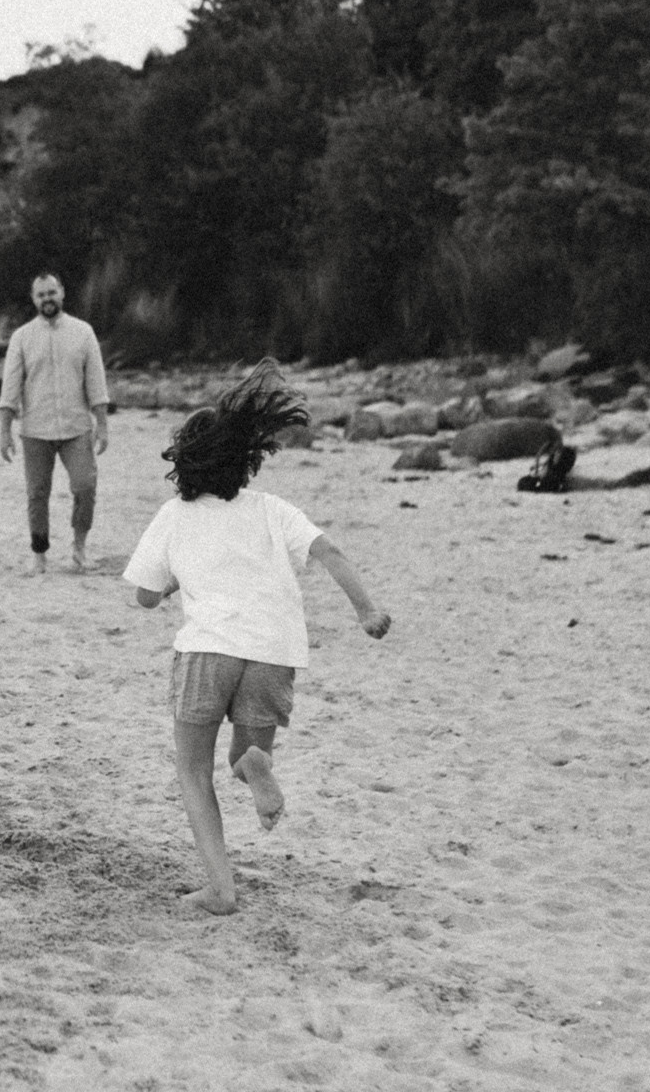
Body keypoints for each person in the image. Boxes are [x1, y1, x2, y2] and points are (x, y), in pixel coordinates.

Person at [121, 363, 391, 916]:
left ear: (185, 463)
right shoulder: (273, 510)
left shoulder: (174, 515)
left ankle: (221, 889)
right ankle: (253, 765)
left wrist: (173, 582)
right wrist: (366, 610)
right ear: (245, 459)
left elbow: (144, 596)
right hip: (273, 652)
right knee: (244, 754)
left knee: (193, 772)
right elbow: (330, 552)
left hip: (207, 651)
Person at [0, 272, 110, 573]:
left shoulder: (83, 332)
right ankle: (39, 556)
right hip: (35, 430)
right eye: (41, 295)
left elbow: (96, 382)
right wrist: (5, 431)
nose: (47, 299)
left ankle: (79, 548)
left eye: (51, 292)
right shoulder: (22, 337)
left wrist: (102, 424)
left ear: (62, 293)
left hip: (76, 428)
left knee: (85, 486)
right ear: (34, 299)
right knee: (37, 494)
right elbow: (10, 388)